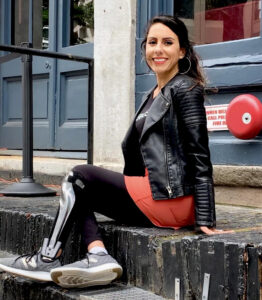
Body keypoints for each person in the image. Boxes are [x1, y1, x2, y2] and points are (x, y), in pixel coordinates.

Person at [0, 15, 233, 289]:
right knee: (79, 191)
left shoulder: (185, 89)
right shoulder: (155, 93)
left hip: (172, 197)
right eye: (152, 42)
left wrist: (205, 218)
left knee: (78, 175)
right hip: (156, 191)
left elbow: (199, 155)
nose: (158, 49)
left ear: (182, 51)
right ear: (144, 48)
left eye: (168, 42)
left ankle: (48, 257)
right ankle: (97, 254)